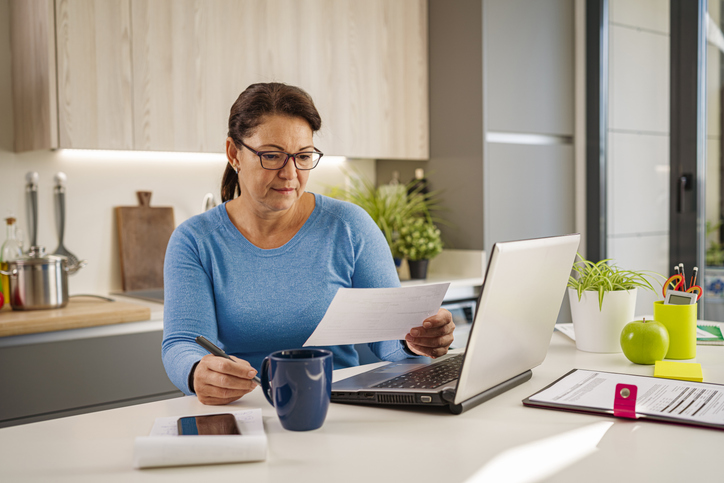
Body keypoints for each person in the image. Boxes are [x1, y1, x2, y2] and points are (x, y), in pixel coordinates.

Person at [162, 83, 455, 405]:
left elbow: (388, 335)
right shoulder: (195, 240)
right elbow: (182, 343)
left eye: (303, 156)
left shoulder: (348, 226)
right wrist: (196, 371)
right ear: (234, 153)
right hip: (244, 407)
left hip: (338, 405)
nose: (290, 174)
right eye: (271, 156)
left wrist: (415, 341)